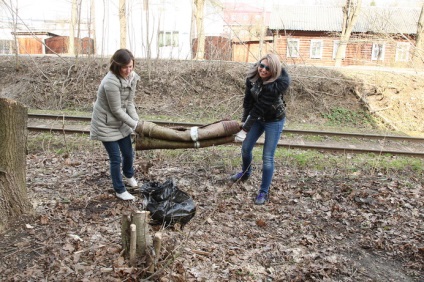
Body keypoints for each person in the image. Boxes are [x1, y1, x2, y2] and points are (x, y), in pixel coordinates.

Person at [230, 53, 290, 205]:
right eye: (261, 65)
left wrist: (245, 130)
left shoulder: (275, 85)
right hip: (258, 119)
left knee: (267, 158)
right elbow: (248, 102)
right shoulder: (252, 79)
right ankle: (245, 172)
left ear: (274, 71)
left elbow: (259, 108)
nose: (262, 70)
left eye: (267, 68)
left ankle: (263, 191)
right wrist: (244, 122)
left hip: (274, 120)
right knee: (245, 148)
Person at [90, 49, 140, 201]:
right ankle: (119, 189)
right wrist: (134, 125)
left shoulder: (132, 77)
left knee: (128, 153)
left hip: (120, 122)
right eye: (124, 67)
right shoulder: (110, 82)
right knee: (116, 158)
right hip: (105, 124)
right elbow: (117, 110)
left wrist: (137, 123)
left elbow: (129, 103)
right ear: (116, 66)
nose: (128, 70)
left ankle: (128, 174)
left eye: (130, 66)